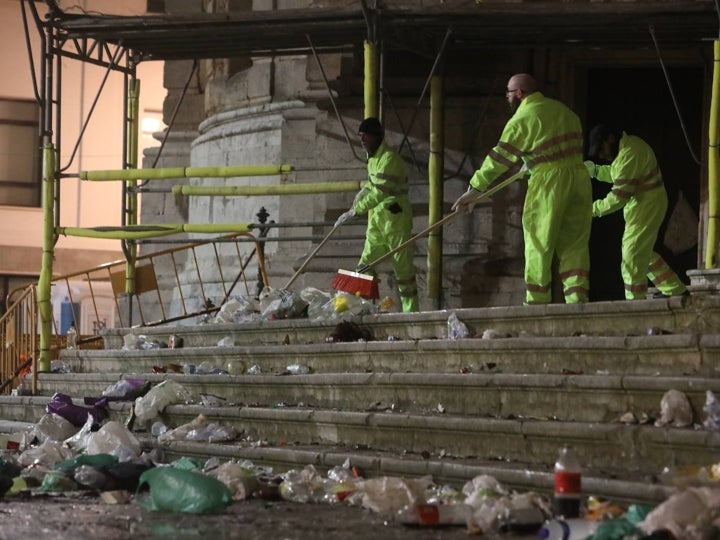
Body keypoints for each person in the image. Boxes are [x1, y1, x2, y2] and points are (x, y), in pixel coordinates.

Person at [452, 73, 592, 304]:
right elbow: (558, 150)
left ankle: (537, 303)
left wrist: (475, 189)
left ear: (519, 93)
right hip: (578, 180)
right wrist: (536, 160)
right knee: (574, 244)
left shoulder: (523, 118)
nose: (507, 98)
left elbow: (499, 159)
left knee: (539, 243)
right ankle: (577, 301)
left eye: (508, 93)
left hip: (548, 184)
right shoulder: (566, 112)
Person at [584, 124, 688, 300]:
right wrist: (595, 171)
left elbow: (618, 197)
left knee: (632, 256)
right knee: (643, 253)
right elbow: (617, 174)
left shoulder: (629, 154)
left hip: (647, 206)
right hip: (645, 205)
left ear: (610, 138)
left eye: (601, 148)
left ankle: (635, 304)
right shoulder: (629, 148)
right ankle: (675, 289)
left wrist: (590, 210)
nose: (601, 155)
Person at [335, 117, 420, 312]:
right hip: (379, 220)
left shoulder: (389, 159)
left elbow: (381, 192)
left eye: (365, 137)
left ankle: (412, 315)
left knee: (404, 273)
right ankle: (363, 309)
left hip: (396, 221)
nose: (362, 141)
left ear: (377, 137)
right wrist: (364, 191)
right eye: (360, 137)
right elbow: (374, 186)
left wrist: (356, 210)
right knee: (364, 266)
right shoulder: (372, 157)